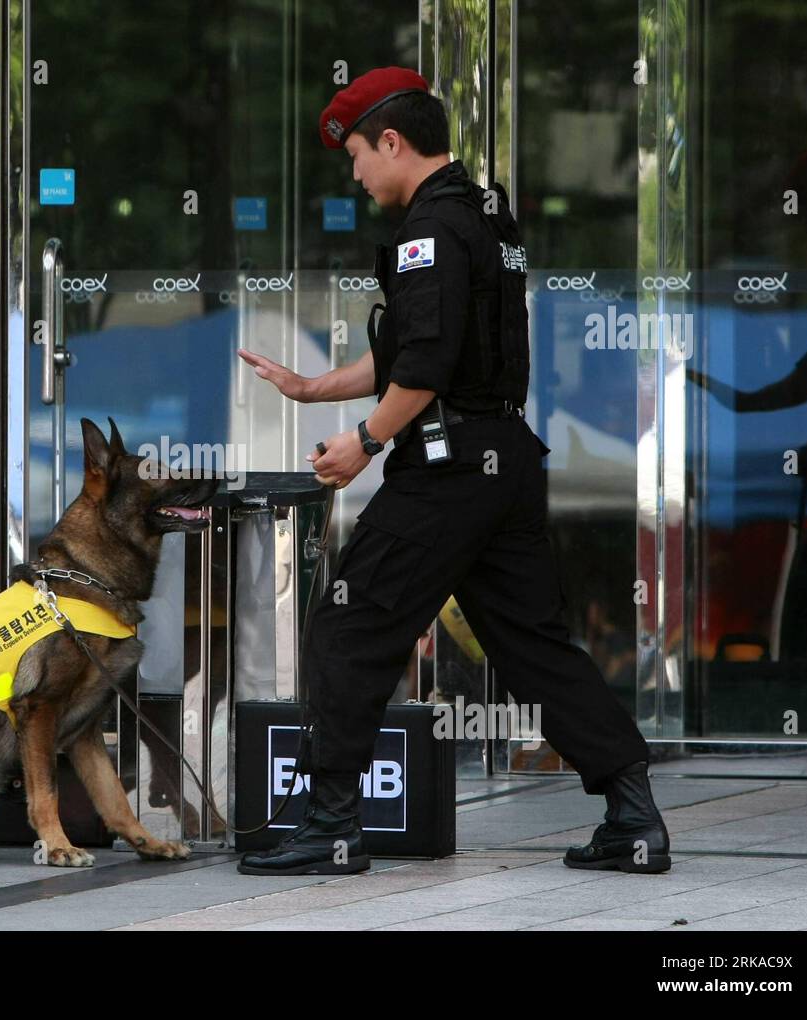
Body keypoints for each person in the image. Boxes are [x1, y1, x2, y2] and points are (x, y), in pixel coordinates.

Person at [234, 67, 670, 877]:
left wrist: (362, 441)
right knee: (534, 647)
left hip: (447, 469)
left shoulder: (428, 231)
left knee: (348, 623)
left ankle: (331, 823)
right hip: (503, 460)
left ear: (393, 142)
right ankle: (633, 814)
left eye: (358, 154)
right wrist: (310, 387)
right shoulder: (484, 215)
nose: (356, 174)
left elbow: (425, 366)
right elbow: (426, 351)